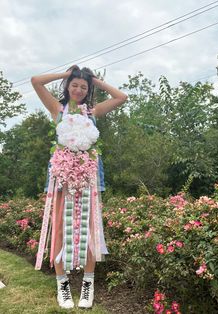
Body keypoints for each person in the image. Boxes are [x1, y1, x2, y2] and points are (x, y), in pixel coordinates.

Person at [31, 65, 127, 309]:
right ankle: (62, 285)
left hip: (88, 180)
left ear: (88, 90)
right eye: (74, 85)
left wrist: (95, 80)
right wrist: (67, 74)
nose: (78, 89)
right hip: (62, 180)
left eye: (83, 87)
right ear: (67, 86)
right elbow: (36, 81)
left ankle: (88, 284)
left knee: (91, 230)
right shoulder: (58, 109)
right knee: (60, 230)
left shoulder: (93, 112)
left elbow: (121, 97)